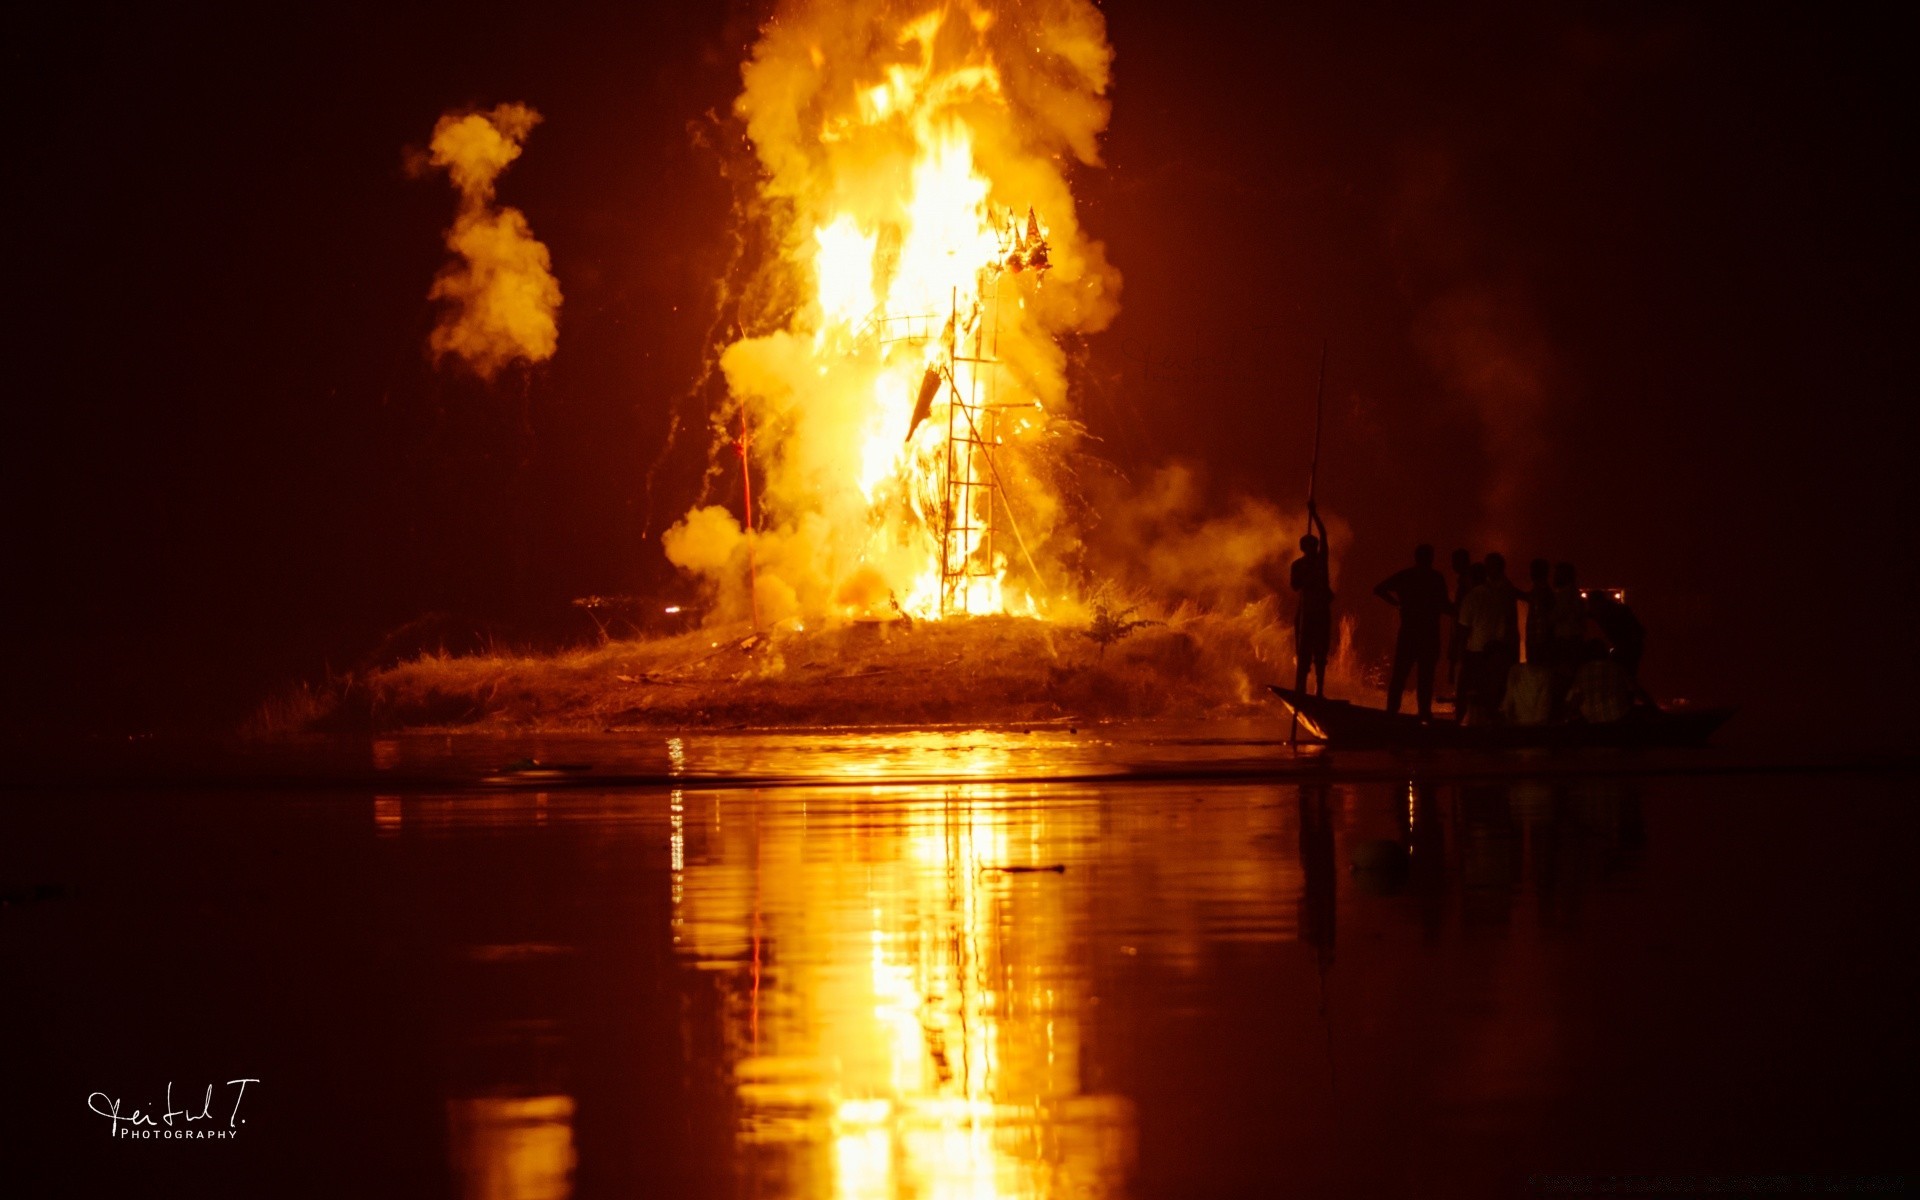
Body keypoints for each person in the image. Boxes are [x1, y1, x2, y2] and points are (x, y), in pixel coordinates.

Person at [1374, 544, 1451, 718]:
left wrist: (1397, 603)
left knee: (1400, 676)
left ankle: (1391, 713)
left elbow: (1378, 589)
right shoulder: (1436, 578)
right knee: (1425, 677)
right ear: (1431, 558)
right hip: (1429, 633)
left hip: (1408, 632)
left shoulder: (1406, 576)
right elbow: (1445, 605)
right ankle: (1424, 714)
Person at [1455, 552, 1520, 724]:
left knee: (1465, 692)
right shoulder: (1499, 595)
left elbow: (1462, 630)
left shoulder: (1471, 598)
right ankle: (1486, 724)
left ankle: (1460, 726)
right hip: (1495, 652)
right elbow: (1506, 623)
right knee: (1488, 693)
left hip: (1475, 652)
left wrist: (1460, 657)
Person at [1290, 501, 1334, 696]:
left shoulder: (1321, 560)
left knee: (1320, 653)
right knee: (1303, 651)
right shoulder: (1297, 565)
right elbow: (1294, 586)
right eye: (1310, 546)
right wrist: (1305, 578)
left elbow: (1324, 536)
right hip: (1306, 611)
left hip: (1321, 612)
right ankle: (1300, 687)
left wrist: (1314, 514)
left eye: (1315, 545)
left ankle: (1319, 690)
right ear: (1303, 548)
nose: (1314, 548)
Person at [1548, 562, 1587, 704]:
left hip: (1567, 642)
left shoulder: (1565, 595)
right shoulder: (1573, 594)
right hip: (1572, 641)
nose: (1555, 577)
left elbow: (1555, 617)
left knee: (1565, 676)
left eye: (1558, 574)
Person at [1445, 548, 1474, 694]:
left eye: (1455, 561)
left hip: (1464, 631)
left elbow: (1465, 606)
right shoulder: (1464, 580)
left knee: (1462, 664)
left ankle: (1462, 699)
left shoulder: (1467, 581)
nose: (1453, 564)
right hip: (1462, 629)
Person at [1524, 558, 1554, 666]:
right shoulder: (1543, 591)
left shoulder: (1542, 593)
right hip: (1538, 640)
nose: (1531, 573)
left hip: (1539, 641)